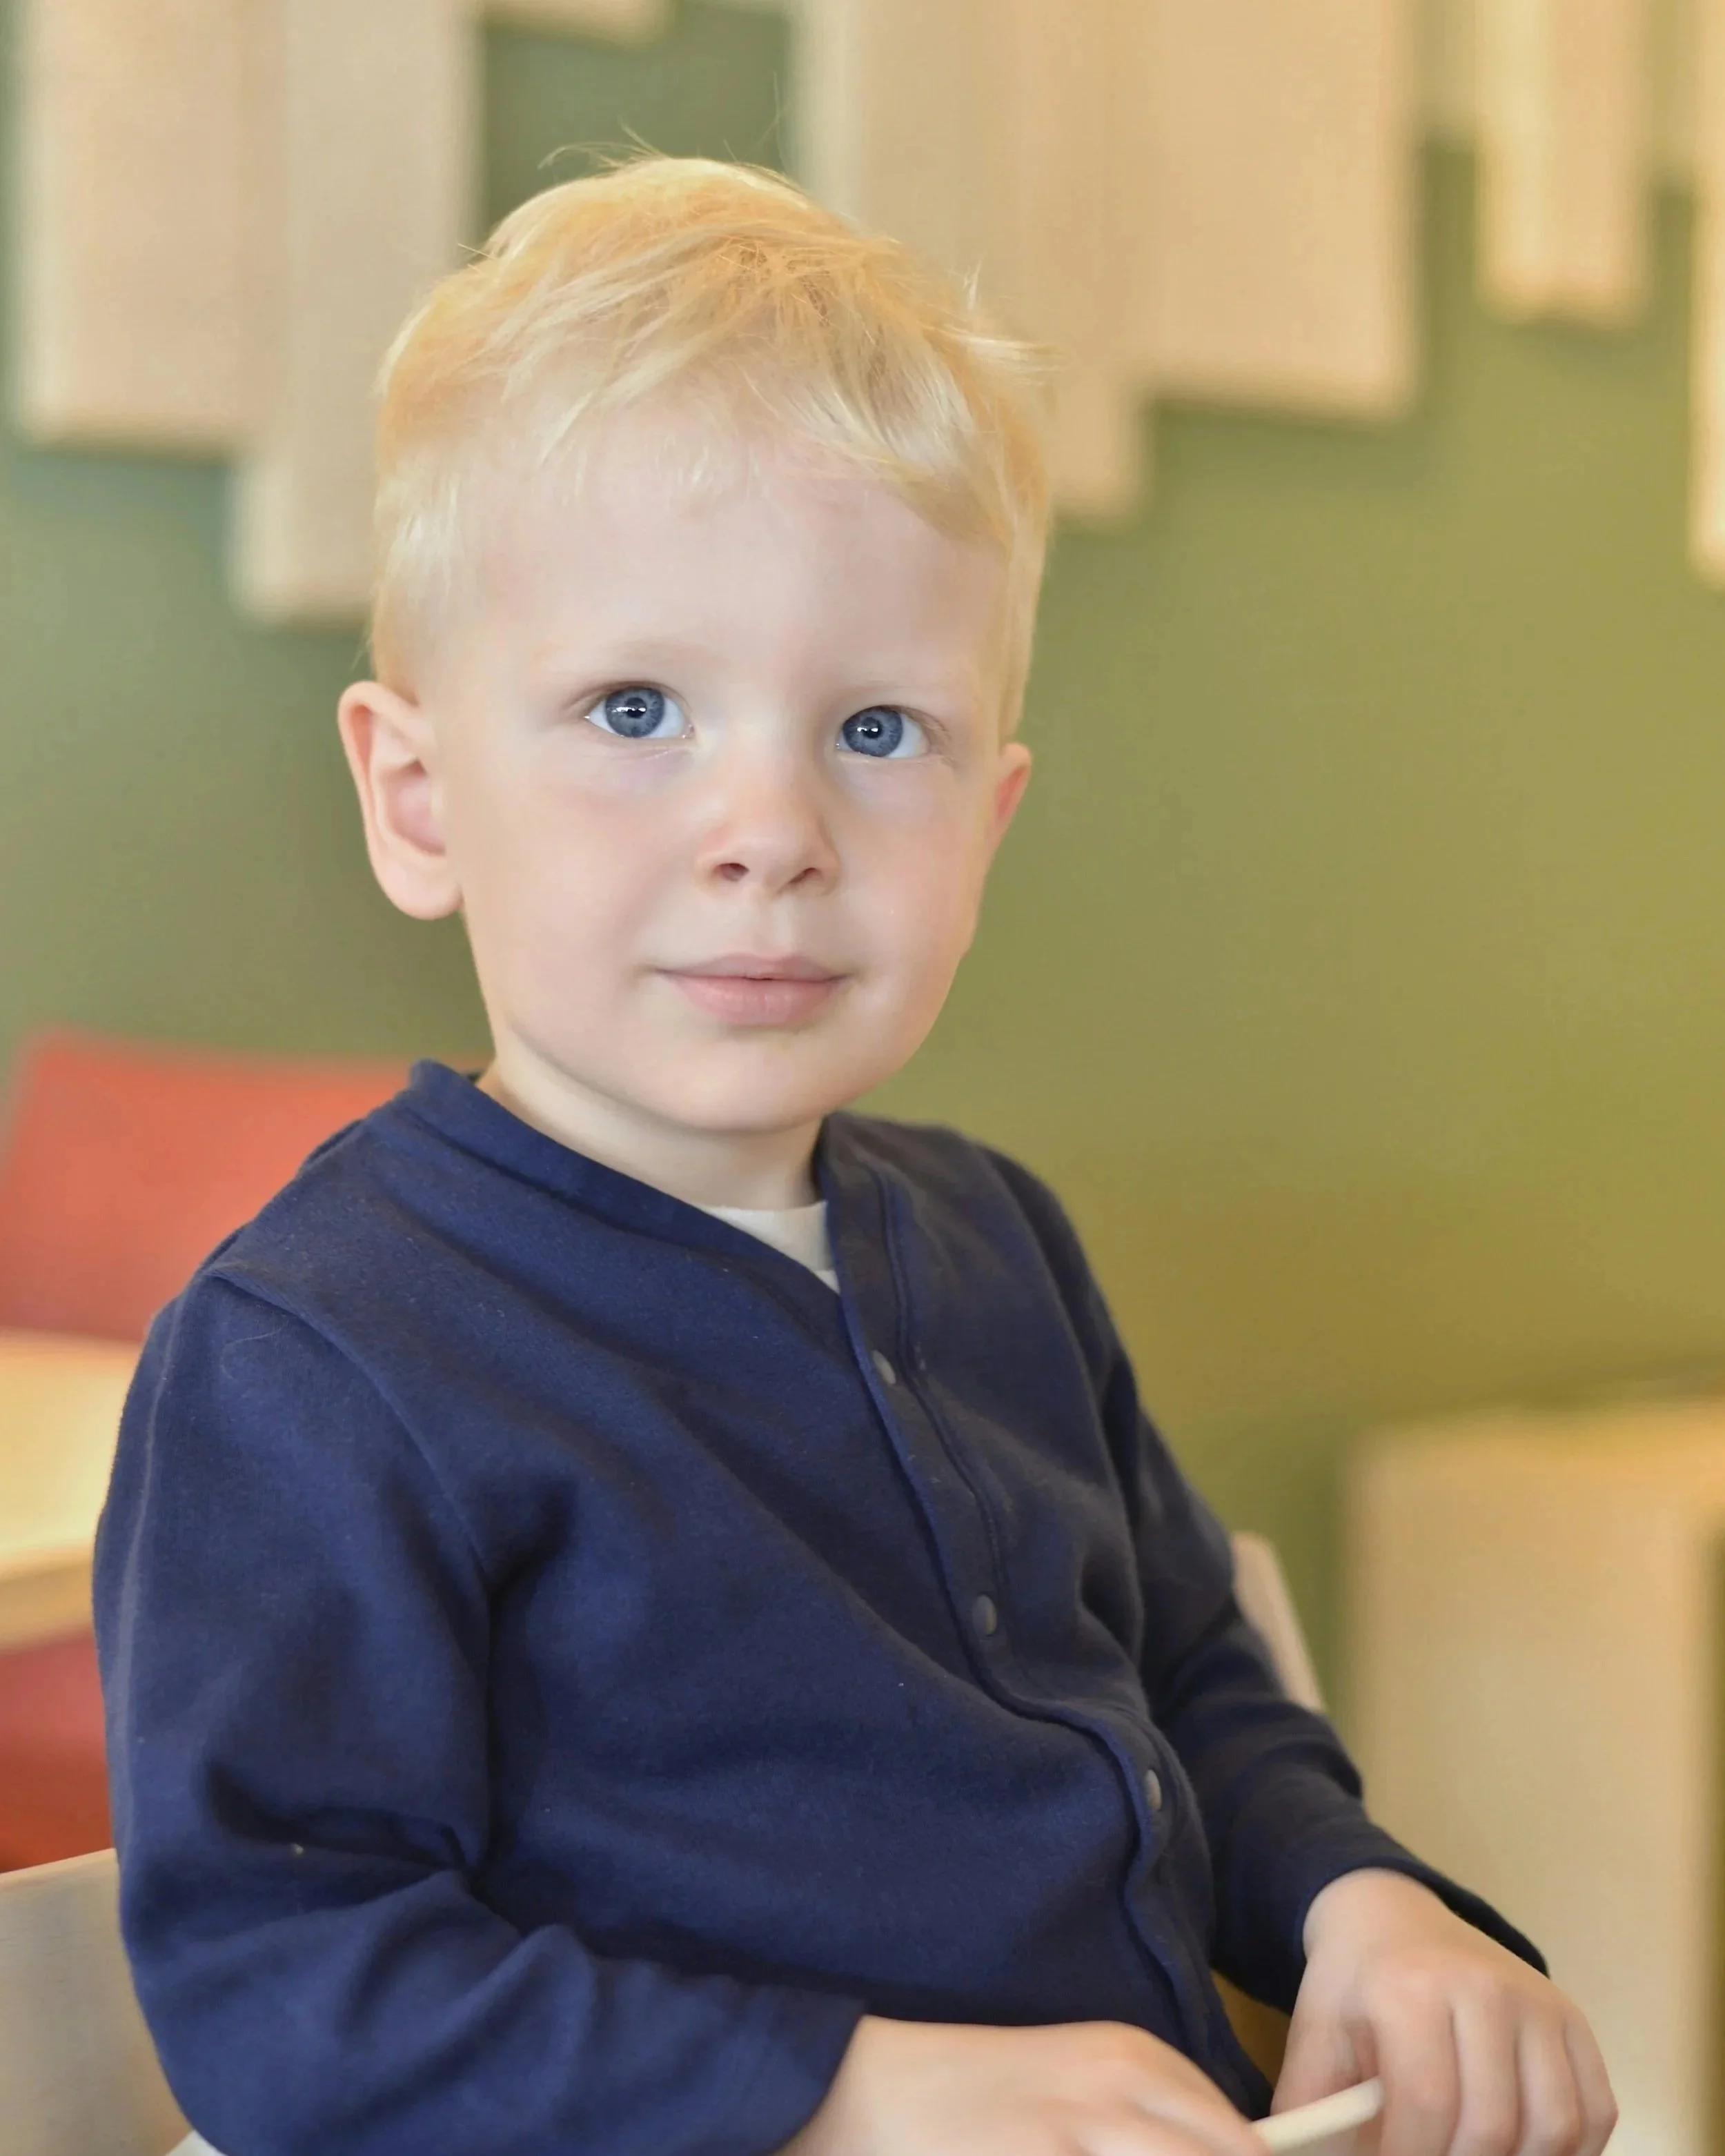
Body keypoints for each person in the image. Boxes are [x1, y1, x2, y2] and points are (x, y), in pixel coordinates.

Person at [95, 157, 1615, 2156]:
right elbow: (292, 1989)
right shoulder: (313, 1360)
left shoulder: (999, 1243)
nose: (772, 831)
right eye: (637, 706)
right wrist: (851, 2094)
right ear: (419, 796)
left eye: (878, 731)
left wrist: (1363, 1901)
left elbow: (1185, 1679)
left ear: (988, 820)